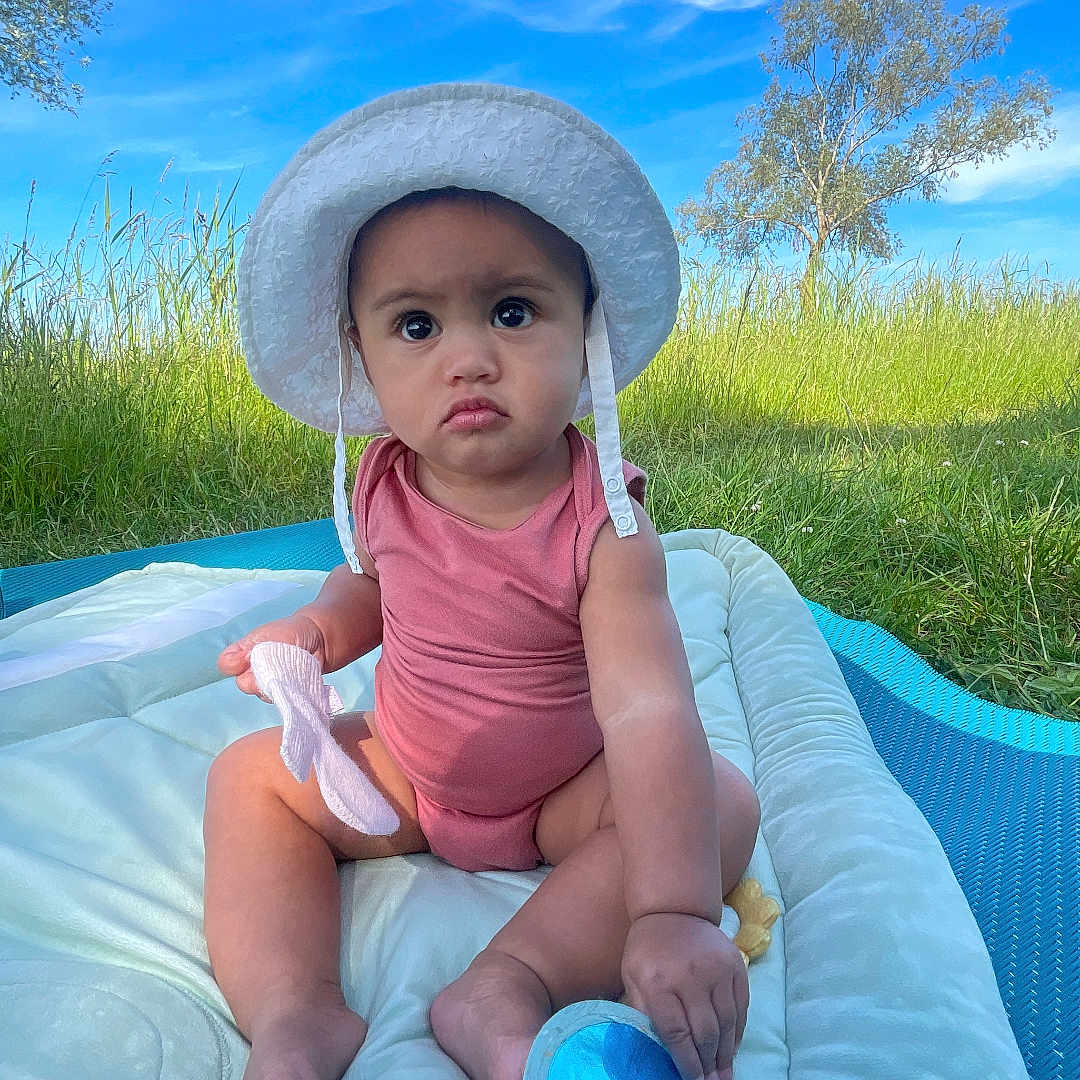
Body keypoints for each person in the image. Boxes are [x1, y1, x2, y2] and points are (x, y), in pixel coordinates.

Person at [206, 83, 762, 1080]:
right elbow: (370, 586)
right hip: (407, 775)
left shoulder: (605, 521)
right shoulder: (384, 480)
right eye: (416, 325)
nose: (467, 358)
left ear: (586, 334)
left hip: (561, 797)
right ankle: (294, 1014)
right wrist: (317, 632)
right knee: (247, 781)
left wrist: (675, 911)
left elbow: (646, 710)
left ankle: (506, 984)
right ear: (362, 356)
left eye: (512, 311)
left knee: (716, 804)